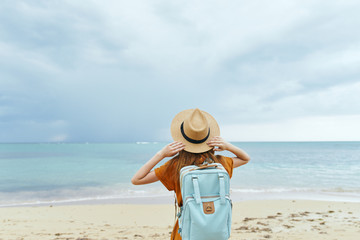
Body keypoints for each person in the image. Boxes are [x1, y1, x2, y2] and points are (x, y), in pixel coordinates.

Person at [131, 108, 250, 239]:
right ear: (208, 137)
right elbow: (245, 158)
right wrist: (228, 146)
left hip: (186, 232)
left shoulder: (175, 166)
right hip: (215, 230)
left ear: (181, 139)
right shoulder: (220, 163)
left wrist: (161, 154)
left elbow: (137, 179)